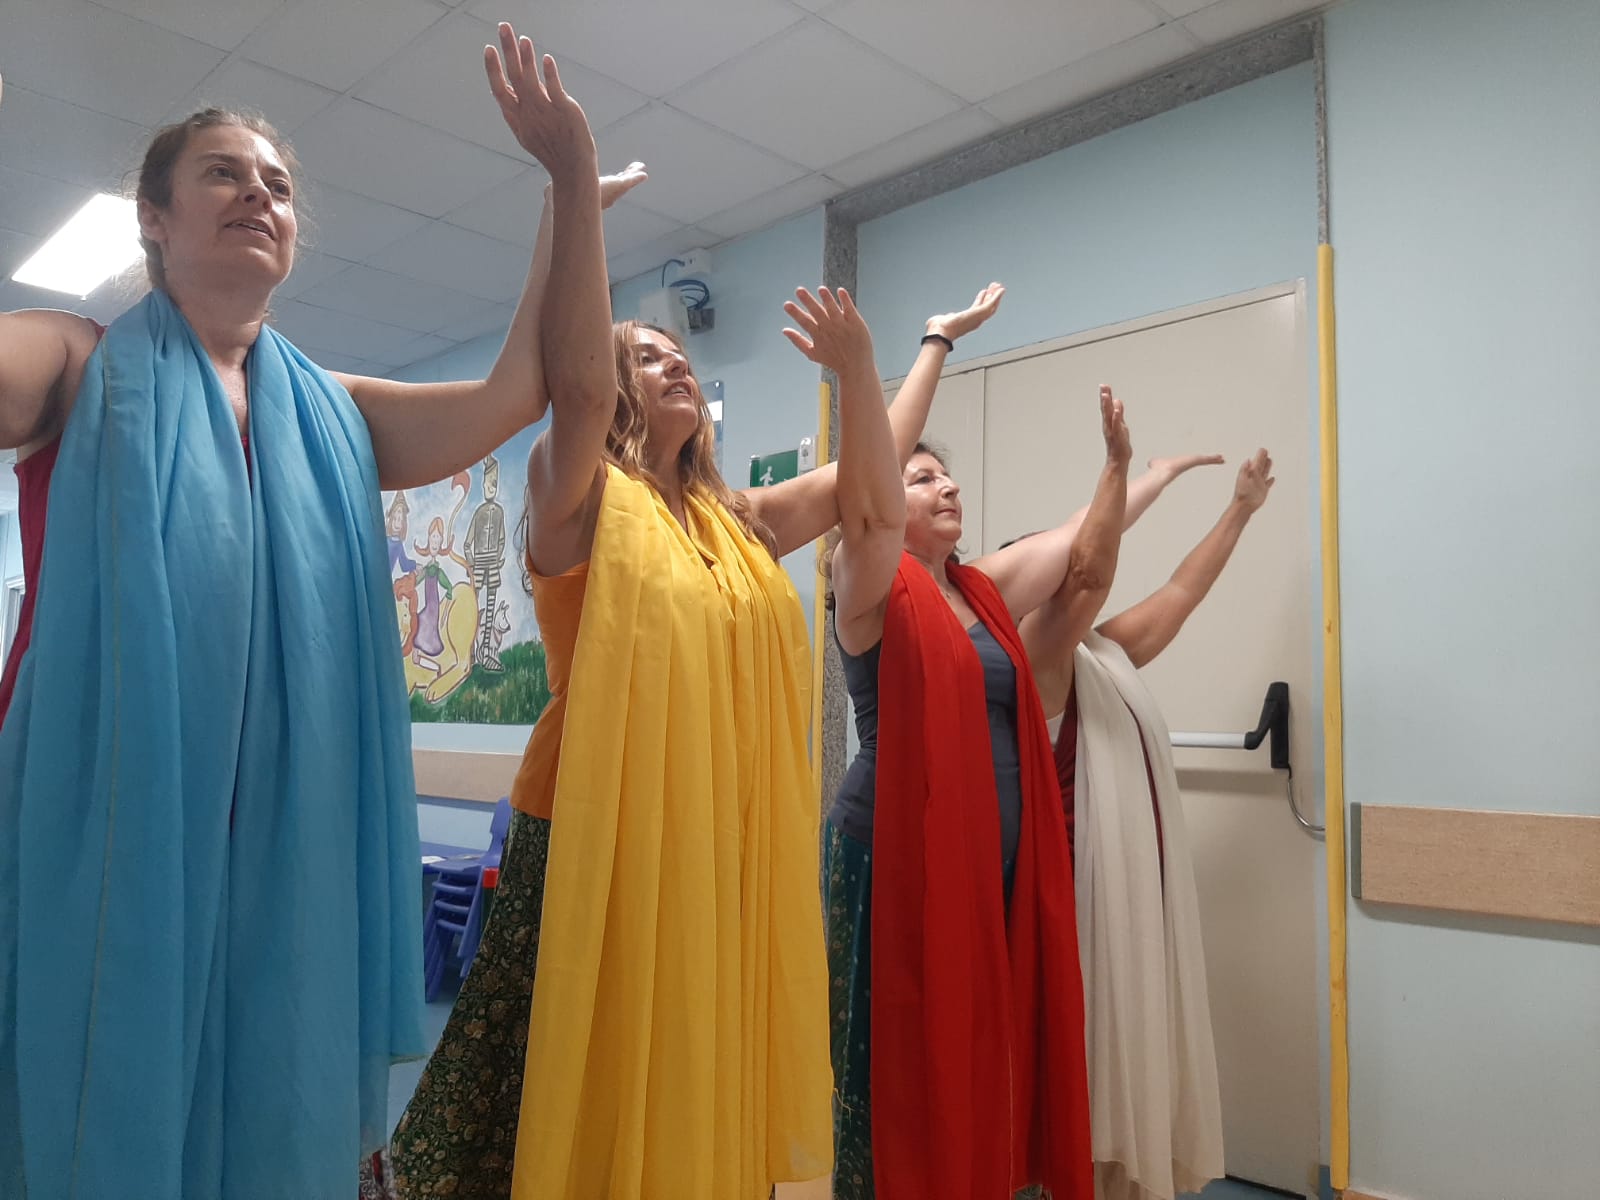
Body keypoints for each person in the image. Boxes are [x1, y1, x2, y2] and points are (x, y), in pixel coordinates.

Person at [0, 44, 599, 1195]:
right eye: (223, 174)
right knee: (94, 1112)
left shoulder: (339, 415)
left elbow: (519, 392)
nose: (257, 195)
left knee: (272, 1127)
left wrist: (566, 188)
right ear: (154, 220)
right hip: (110, 846)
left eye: (275, 184)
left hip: (286, 862)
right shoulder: (81, 363)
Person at [1022, 449, 1276, 1200]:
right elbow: (1090, 568)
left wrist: (1239, 510)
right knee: (1081, 1067)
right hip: (1076, 909)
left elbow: (1181, 591)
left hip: (1126, 901)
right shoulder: (1037, 657)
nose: (1071, 579)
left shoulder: (1099, 653)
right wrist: (1134, 473)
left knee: (1121, 1054)